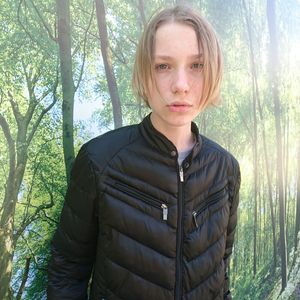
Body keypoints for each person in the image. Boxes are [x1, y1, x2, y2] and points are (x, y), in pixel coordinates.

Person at [47, 4, 241, 300]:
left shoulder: (225, 168)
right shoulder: (100, 162)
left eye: (196, 65)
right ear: (144, 72)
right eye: (163, 65)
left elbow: (221, 274)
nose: (180, 85)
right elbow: (67, 272)